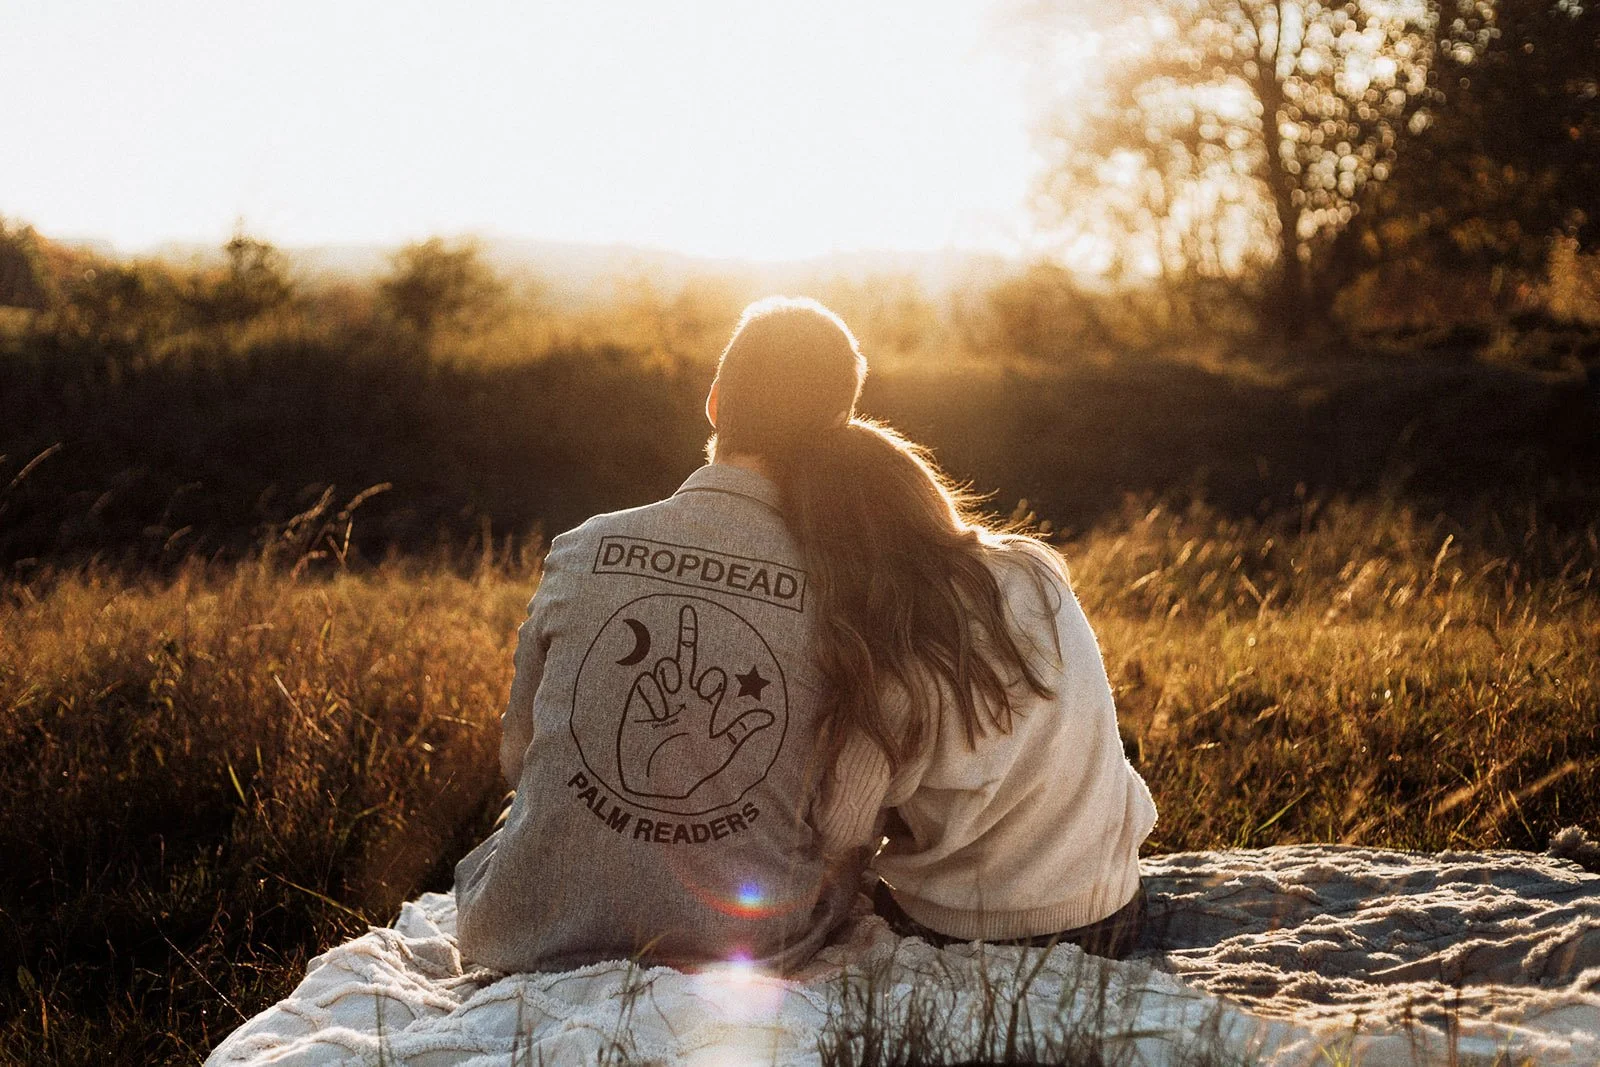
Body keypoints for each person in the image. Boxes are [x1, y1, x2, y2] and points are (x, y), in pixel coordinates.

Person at [453, 296, 870, 972]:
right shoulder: (843, 588)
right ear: (838, 431)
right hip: (745, 942)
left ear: (713, 403)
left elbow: (516, 754)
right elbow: (839, 807)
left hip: (520, 930)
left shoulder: (581, 546)